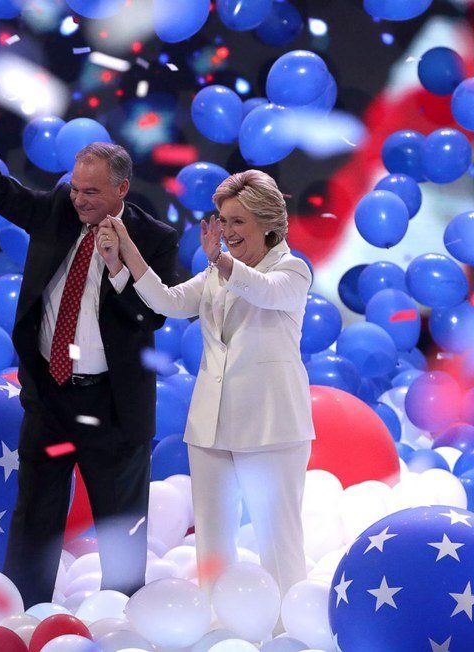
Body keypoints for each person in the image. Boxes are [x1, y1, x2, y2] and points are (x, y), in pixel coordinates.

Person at [0, 80, 179, 606]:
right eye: (75, 188)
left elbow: (153, 316)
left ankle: (123, 620)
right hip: (51, 398)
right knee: (35, 514)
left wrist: (118, 268)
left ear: (122, 190)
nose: (79, 199)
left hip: (111, 406)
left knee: (120, 526)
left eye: (92, 192)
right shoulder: (59, 207)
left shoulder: (155, 239)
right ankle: (21, 613)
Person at [99, 170, 314, 600]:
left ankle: (285, 630)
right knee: (212, 544)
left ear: (268, 222)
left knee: (278, 542)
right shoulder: (219, 272)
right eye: (222, 219)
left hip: (271, 425)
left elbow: (265, 292)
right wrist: (124, 258)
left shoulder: (292, 270)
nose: (226, 230)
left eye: (237, 221)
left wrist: (221, 262)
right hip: (211, 424)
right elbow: (169, 301)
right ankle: (218, 625)